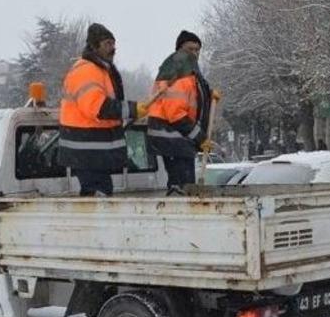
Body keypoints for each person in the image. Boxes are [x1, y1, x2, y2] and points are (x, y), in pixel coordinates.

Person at [59, 23, 148, 196]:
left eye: (113, 44)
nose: (113, 48)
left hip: (91, 153)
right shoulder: (87, 71)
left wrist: (133, 110)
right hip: (87, 151)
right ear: (94, 46)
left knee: (98, 196)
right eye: (108, 44)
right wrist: (132, 109)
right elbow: (98, 108)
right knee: (98, 197)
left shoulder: (100, 70)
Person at [147, 30, 219, 195]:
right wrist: (200, 137)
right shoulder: (178, 71)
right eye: (190, 49)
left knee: (184, 184)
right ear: (179, 49)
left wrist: (208, 94)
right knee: (183, 184)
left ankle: (179, 196)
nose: (194, 53)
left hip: (176, 136)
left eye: (197, 50)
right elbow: (176, 113)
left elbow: (189, 99)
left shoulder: (188, 71)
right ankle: (179, 200)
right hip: (170, 134)